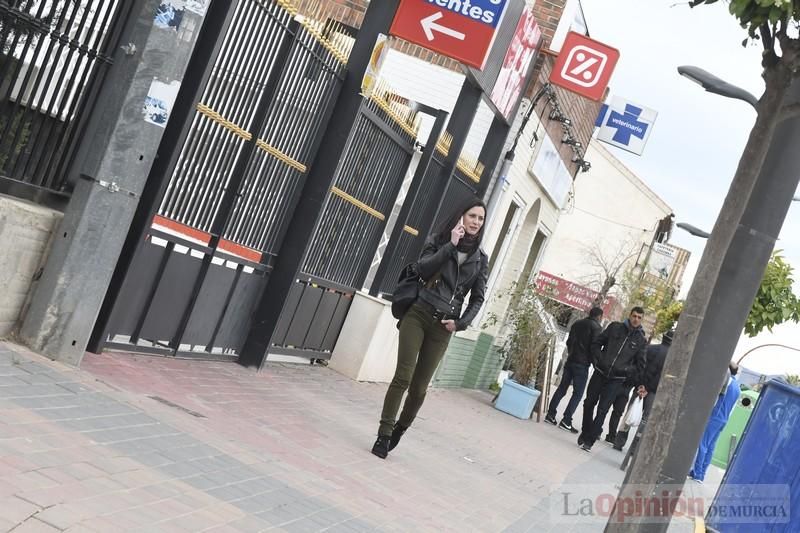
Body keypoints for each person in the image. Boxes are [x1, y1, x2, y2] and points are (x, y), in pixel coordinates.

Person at [371, 199, 489, 459]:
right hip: (419, 313)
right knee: (403, 376)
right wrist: (451, 245)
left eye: (480, 219)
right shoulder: (438, 241)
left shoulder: (481, 259)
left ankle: (401, 428)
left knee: (419, 388)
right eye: (472, 216)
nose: (476, 222)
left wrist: (460, 323)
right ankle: (384, 433)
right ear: (461, 216)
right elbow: (423, 268)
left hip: (443, 327)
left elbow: (478, 297)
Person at [578, 307, 647, 452]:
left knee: (602, 410)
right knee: (588, 403)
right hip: (600, 372)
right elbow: (597, 343)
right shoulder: (615, 327)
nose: (636, 319)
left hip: (616, 380)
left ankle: (589, 441)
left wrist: (627, 371)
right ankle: (585, 432)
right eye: (634, 316)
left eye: (639, 317)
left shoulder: (641, 340)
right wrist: (599, 360)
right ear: (629, 315)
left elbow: (640, 365)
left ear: (642, 320)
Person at [545, 307, 604, 433]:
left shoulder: (577, 324)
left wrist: (572, 353)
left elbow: (569, 341)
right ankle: (566, 420)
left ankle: (550, 415)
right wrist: (596, 364)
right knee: (578, 394)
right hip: (582, 364)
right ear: (599, 317)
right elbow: (594, 348)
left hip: (571, 360)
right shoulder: (597, 328)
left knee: (562, 388)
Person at [613, 329, 673, 451]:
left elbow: (640, 367)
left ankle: (619, 442)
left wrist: (640, 385)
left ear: (663, 337)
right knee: (645, 420)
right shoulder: (671, 358)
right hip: (654, 392)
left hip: (640, 387)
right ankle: (635, 448)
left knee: (630, 413)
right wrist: (649, 388)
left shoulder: (649, 349)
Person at [689, 362, 741, 482]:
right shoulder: (738, 388)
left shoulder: (726, 381)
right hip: (724, 419)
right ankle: (701, 474)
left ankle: (697, 473)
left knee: (703, 444)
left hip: (715, 416)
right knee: (711, 446)